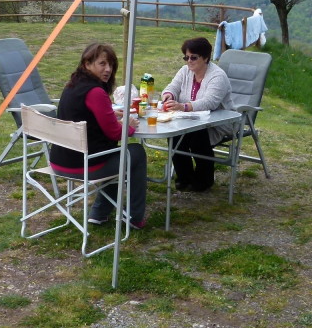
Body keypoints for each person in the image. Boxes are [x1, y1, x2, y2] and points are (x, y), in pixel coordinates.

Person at [50, 42, 147, 228]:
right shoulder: (95, 92)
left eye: (111, 65)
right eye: (102, 64)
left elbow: (85, 114)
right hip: (84, 165)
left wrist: (109, 113)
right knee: (134, 152)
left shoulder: (72, 85)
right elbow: (116, 133)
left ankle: (99, 213)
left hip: (59, 161)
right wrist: (130, 125)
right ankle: (135, 218)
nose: (108, 69)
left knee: (112, 154)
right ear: (87, 64)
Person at [160, 36, 234, 192]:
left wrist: (183, 106)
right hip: (190, 120)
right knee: (175, 135)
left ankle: (204, 180)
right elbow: (172, 86)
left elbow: (210, 102)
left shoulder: (217, 76)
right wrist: (169, 96)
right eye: (186, 57)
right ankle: (184, 178)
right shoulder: (185, 71)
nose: (189, 61)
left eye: (193, 57)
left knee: (196, 136)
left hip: (218, 122)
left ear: (206, 57)